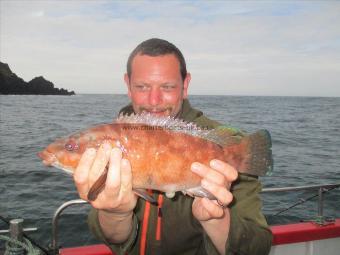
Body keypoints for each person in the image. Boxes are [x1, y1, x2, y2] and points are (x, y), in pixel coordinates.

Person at [73, 38, 272, 255]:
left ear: (185, 85)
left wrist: (217, 219)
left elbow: (257, 248)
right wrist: (115, 214)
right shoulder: (111, 139)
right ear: (128, 85)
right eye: (142, 87)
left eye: (167, 87)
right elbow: (113, 239)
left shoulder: (231, 146)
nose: (154, 100)